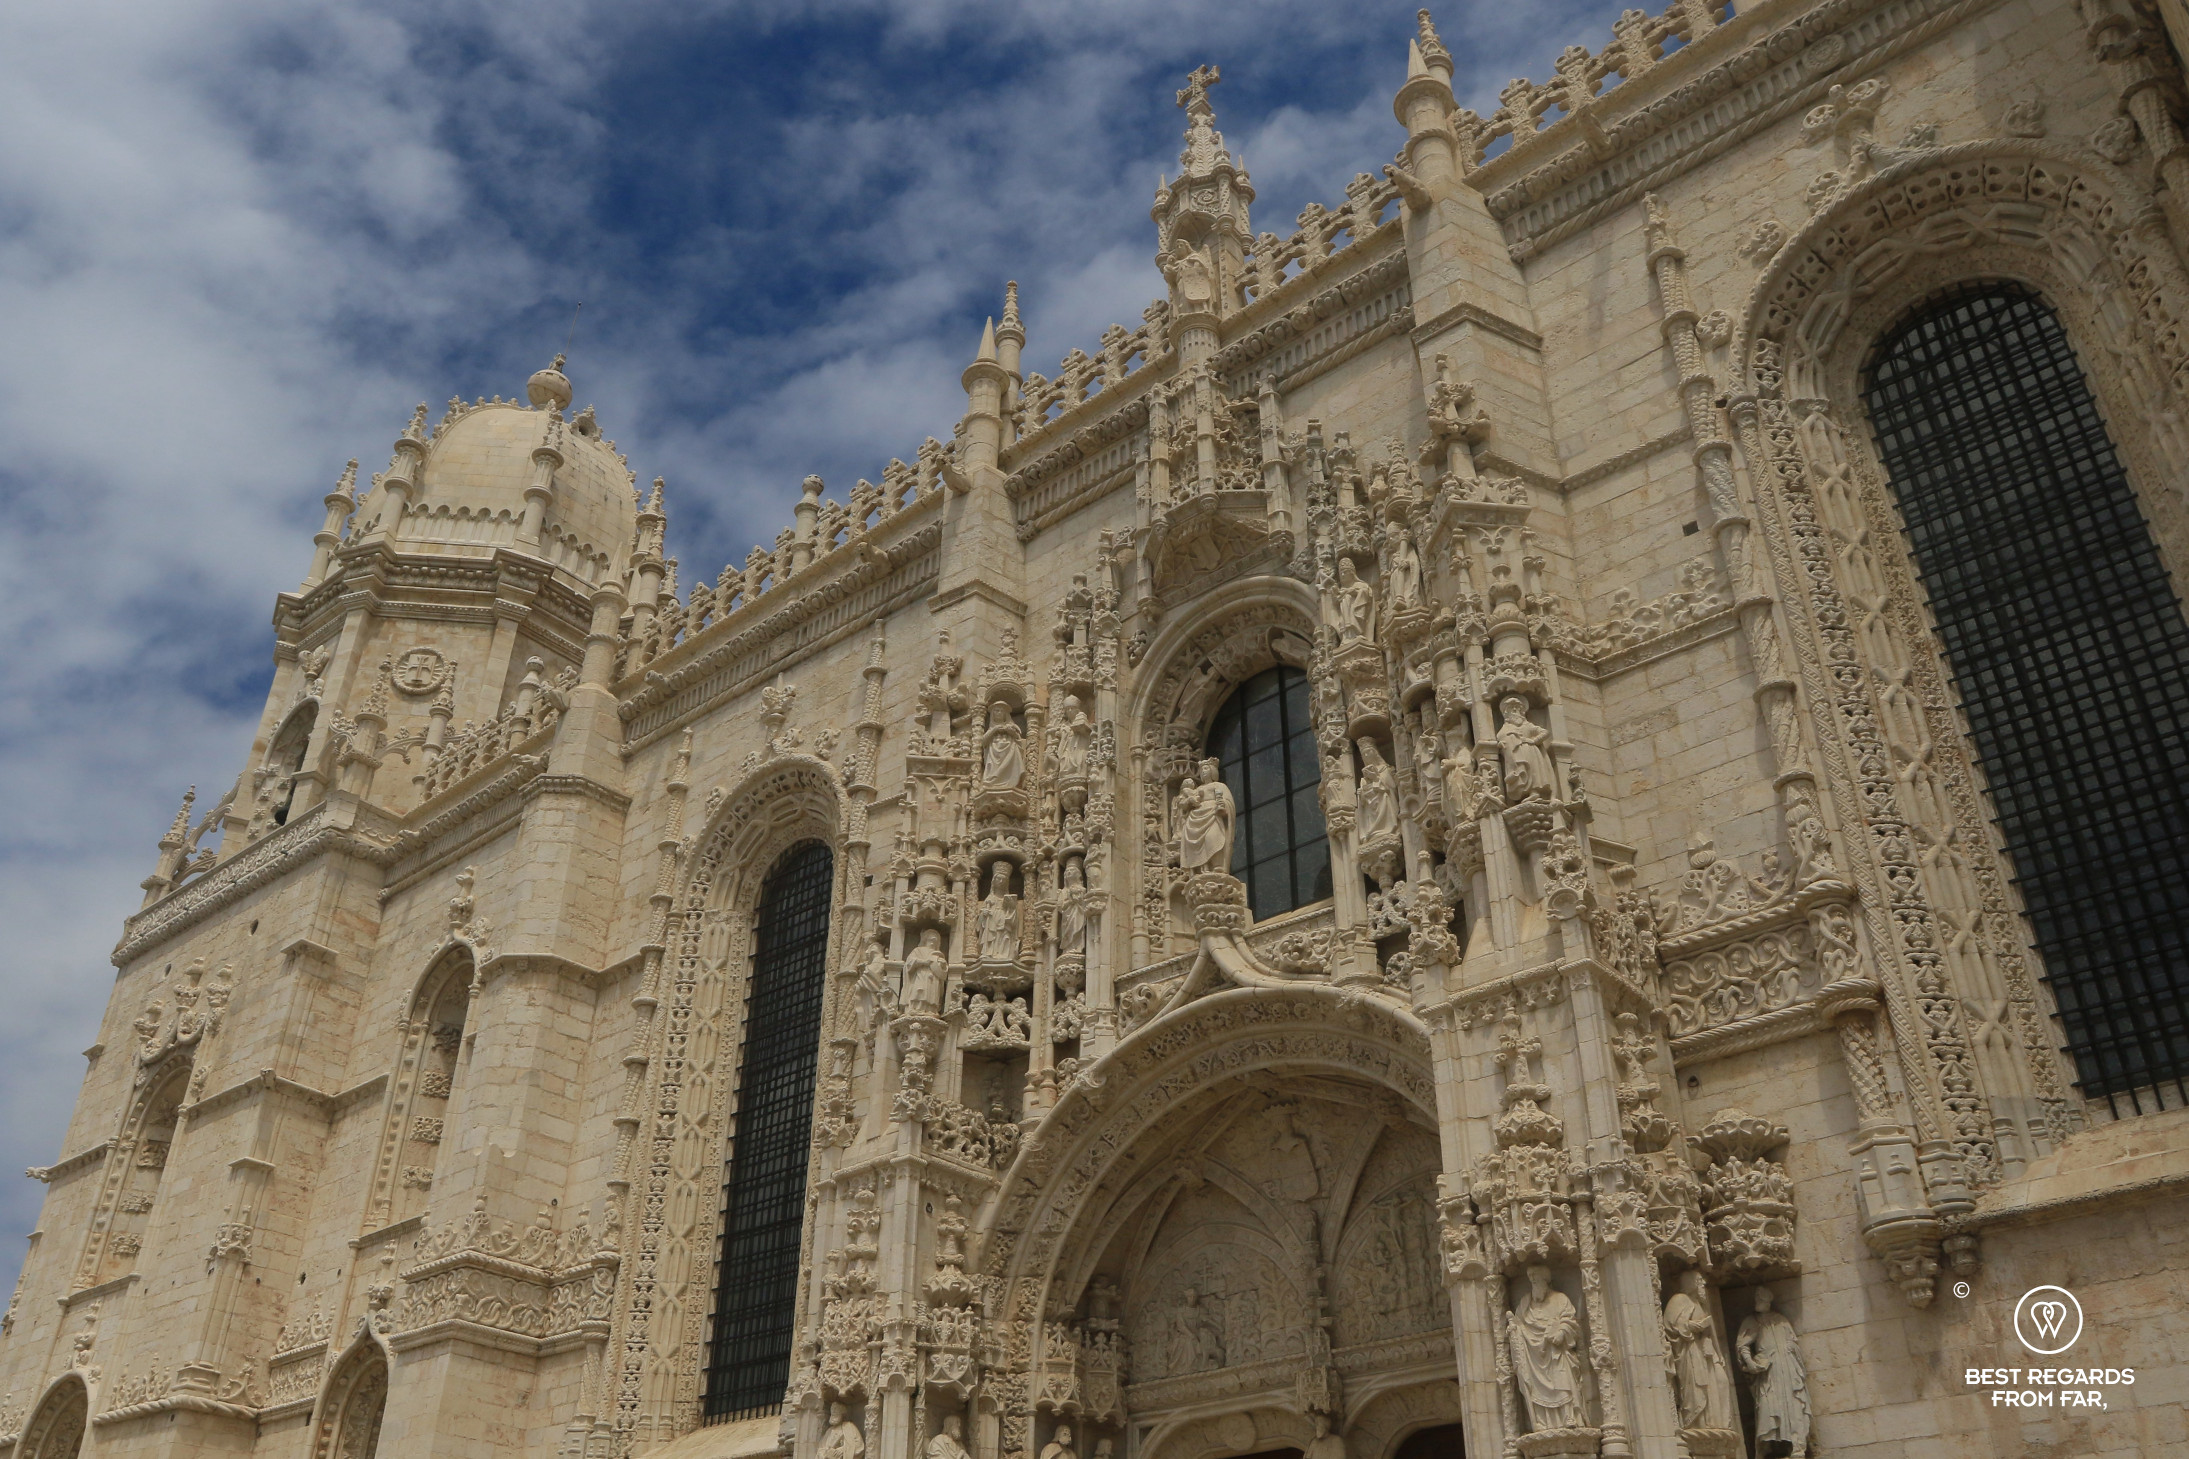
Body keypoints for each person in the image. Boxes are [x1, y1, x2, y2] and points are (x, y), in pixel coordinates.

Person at [1735, 1286, 1809, 1459]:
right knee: (1767, 1406)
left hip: (1787, 1368)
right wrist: (1751, 1363)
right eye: (1757, 1299)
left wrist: (1791, 1350)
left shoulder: (1781, 1320)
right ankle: (1764, 1448)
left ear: (1768, 1301)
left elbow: (1792, 1341)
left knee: (1793, 1404)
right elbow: (1742, 1345)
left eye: (1761, 1299)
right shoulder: (1752, 1320)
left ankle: (1797, 1446)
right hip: (1768, 1370)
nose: (1757, 1302)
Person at [1509, 1264, 1585, 1430]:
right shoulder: (1526, 1302)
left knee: (1563, 1379)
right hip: (1534, 1356)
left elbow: (1569, 1321)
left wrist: (1561, 1333)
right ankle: (1542, 1421)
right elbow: (1518, 1323)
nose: (1533, 1282)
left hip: (1555, 1351)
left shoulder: (1560, 1299)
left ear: (1545, 1280)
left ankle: (1568, 1416)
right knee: (1536, 1389)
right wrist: (1514, 1330)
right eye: (1531, 1280)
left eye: (1536, 1279)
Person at [1663, 1269, 1737, 1429]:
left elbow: (1712, 1332)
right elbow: (1670, 1325)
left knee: (1720, 1381)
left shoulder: (1700, 1304)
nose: (1703, 1283)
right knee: (1697, 1388)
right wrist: (1690, 1326)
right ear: (1690, 1282)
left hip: (1706, 1351)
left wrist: (1718, 1353)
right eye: (1699, 1280)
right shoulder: (1679, 1299)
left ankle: (1718, 1422)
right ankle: (1698, 1423)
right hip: (1690, 1350)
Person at [1173, 758, 1235, 872]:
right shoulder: (1198, 789)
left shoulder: (1219, 786)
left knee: (1213, 838)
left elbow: (1228, 802)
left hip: (1213, 814)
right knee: (1196, 843)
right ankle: (1200, 868)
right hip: (1196, 817)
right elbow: (1184, 804)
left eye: (1206, 768)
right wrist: (1189, 801)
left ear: (1212, 770)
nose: (1203, 772)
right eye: (1201, 770)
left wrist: (1223, 805)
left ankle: (1216, 866)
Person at [1496, 696, 1554, 803]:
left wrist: (1533, 740)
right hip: (1514, 755)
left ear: (1522, 711)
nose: (1514, 710)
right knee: (1520, 773)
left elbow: (1545, 732)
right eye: (1511, 708)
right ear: (1506, 712)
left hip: (1530, 751)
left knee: (1533, 771)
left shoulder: (1527, 725)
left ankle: (1534, 792)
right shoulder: (1506, 727)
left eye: (1517, 708)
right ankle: (1523, 793)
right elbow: (1501, 737)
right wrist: (1500, 745)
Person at [901, 928, 947, 1015]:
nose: (933, 942)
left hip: (933, 977)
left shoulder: (938, 953)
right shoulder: (918, 950)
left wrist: (942, 964)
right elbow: (909, 962)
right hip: (921, 974)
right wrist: (923, 962)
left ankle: (931, 1010)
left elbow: (943, 971)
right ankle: (916, 1008)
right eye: (931, 940)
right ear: (925, 940)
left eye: (935, 941)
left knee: (932, 993)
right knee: (919, 990)